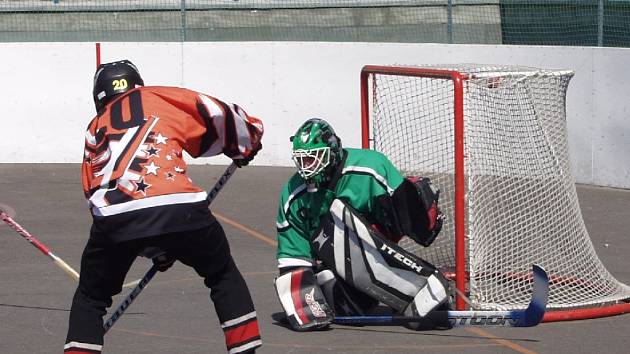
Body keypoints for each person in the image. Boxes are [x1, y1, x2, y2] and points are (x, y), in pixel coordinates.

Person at [64, 60, 263, 354]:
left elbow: (93, 191)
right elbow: (216, 112)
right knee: (221, 274)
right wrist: (246, 143)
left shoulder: (95, 128)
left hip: (115, 216)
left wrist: (151, 246)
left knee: (91, 299)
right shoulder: (159, 96)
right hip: (179, 206)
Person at [273, 118, 449, 331]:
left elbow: (407, 217)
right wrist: (304, 299)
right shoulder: (292, 196)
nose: (307, 167)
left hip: (373, 244)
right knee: (353, 311)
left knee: (342, 221)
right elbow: (293, 256)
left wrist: (420, 210)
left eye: (314, 159)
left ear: (333, 151)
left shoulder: (370, 168)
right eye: (302, 160)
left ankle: (412, 288)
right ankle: (369, 291)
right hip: (329, 257)